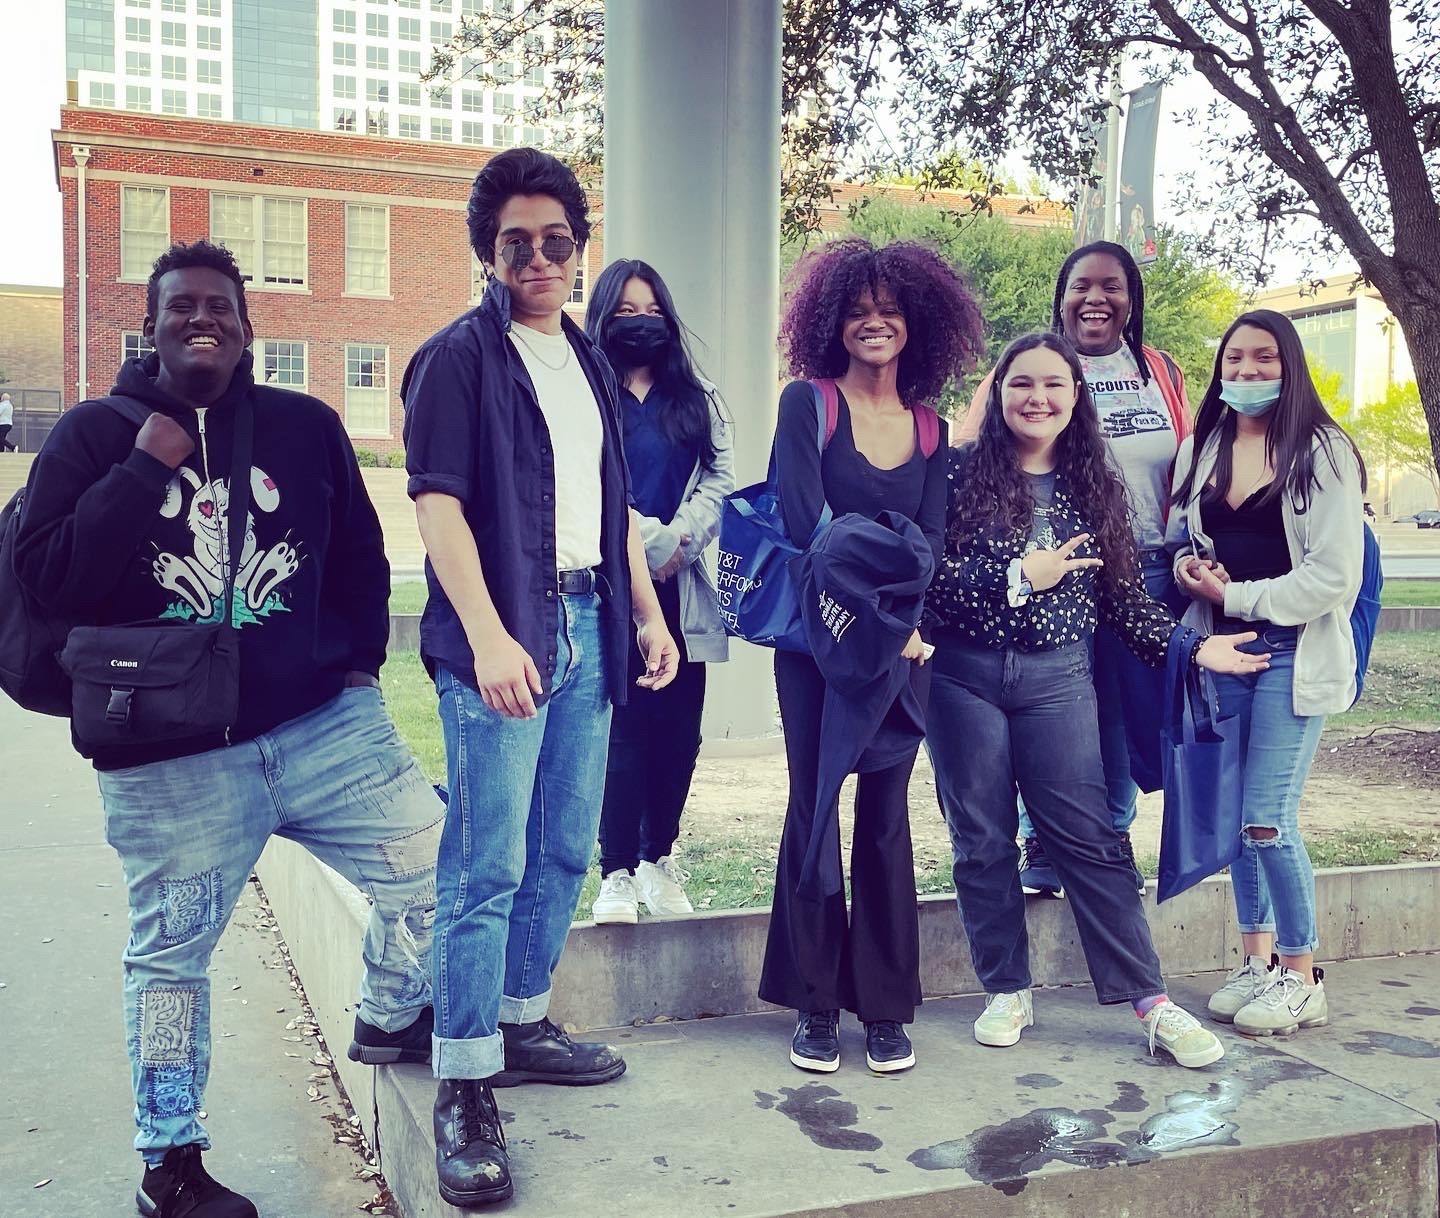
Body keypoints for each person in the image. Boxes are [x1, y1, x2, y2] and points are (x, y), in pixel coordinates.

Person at [13, 240, 442, 1218]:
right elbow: (49, 581)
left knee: (435, 865)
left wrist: (360, 670)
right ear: (152, 327)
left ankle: (385, 1009)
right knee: (168, 965)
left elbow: (361, 559)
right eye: (181, 309)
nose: (201, 320)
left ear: (247, 329)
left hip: (323, 731)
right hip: (167, 765)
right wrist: (137, 470)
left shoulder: (304, 426)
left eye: (219, 308)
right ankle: (170, 1164)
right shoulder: (91, 434)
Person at [401, 148, 680, 1209]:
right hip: (505, 634)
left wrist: (648, 618)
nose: (538, 259)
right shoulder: (456, 359)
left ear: (578, 247)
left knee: (566, 844)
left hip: (590, 625)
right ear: (489, 248)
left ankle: (521, 1022)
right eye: (515, 241)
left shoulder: (590, 362)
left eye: (557, 241)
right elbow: (438, 508)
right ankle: (465, 1081)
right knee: (485, 865)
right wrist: (487, 636)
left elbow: (610, 511)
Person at [927, 330, 1267, 1069]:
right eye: (1022, 384)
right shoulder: (953, 474)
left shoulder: (1092, 486)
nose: (1037, 398)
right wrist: (1020, 575)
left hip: (1058, 682)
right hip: (962, 678)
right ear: (999, 392)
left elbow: (1122, 602)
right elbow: (930, 581)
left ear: (1074, 397)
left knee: (1090, 839)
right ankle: (1006, 987)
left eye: (1053, 384)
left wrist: (1191, 645)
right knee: (981, 839)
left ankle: (1151, 1001)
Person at [758, 238, 983, 1076]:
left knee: (886, 823)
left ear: (916, 322)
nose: (874, 321)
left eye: (889, 310)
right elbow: (808, 529)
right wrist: (887, 607)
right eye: (857, 310)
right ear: (833, 323)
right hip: (819, 649)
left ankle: (885, 1009)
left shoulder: (933, 428)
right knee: (813, 811)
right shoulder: (806, 405)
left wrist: (901, 621)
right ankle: (816, 1005)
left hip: (905, 652)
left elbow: (929, 541)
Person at [957, 240, 1192, 898]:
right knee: (1049, 703)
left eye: (1112, 286)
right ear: (1060, 297)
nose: (1096, 298)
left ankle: (1110, 835)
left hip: (1143, 570)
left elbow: (1192, 464)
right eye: (1081, 286)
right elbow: (968, 459)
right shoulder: (1030, 369)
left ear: (1132, 298)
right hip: (1055, 568)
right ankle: (1043, 839)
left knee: (1120, 710)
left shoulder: (1161, 372)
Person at [1168, 309, 1366, 1036]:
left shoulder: (1323, 452)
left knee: (1266, 820)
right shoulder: (1205, 444)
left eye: (1264, 360)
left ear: (1290, 366)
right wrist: (1194, 569)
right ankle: (1254, 960)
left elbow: (1333, 578)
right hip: (1223, 653)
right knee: (1232, 820)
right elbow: (1178, 540)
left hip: (1291, 655)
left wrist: (1237, 595)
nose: (1247, 373)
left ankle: (1300, 972)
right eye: (1235, 361)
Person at [583, 259, 734, 924]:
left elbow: (722, 476)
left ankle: (658, 858)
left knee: (679, 732)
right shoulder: (584, 391)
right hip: (607, 588)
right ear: (601, 320)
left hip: (685, 583)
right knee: (622, 731)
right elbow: (582, 484)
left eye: (649, 310)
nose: (638, 322)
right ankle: (614, 871)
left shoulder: (696, 395)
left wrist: (681, 540)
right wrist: (646, 546)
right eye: (623, 312)